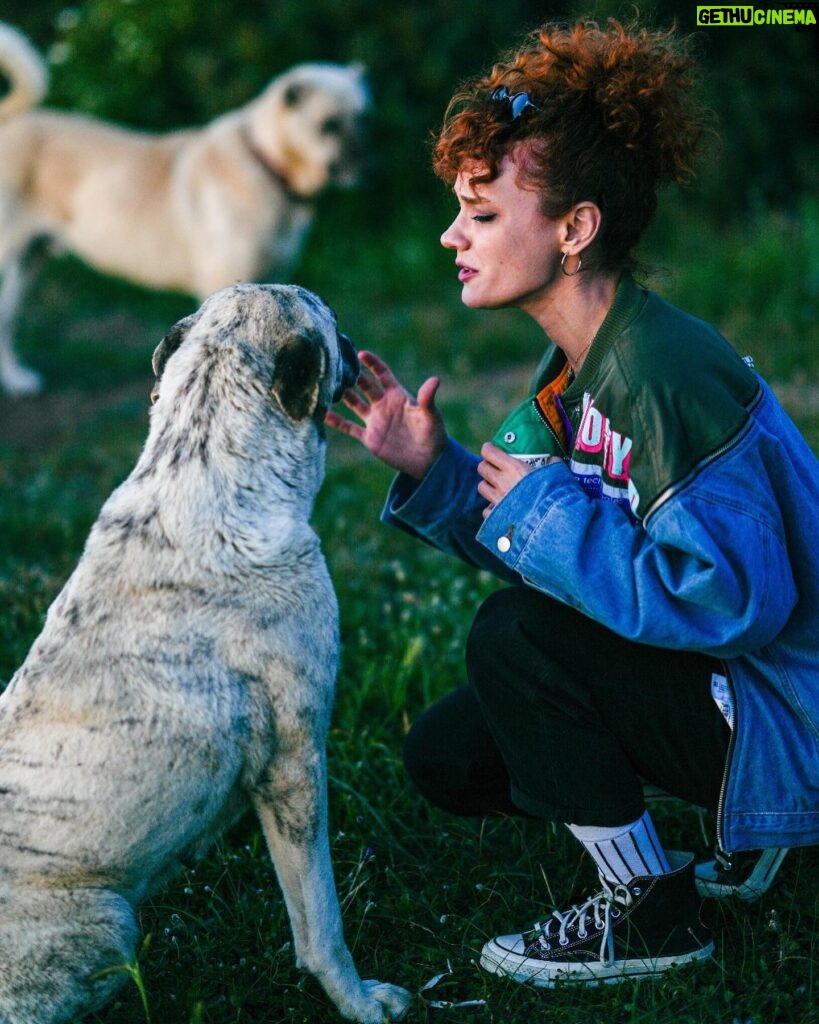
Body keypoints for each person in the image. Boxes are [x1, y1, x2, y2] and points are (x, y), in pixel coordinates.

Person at [326, 17, 819, 987]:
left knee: (518, 636)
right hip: (732, 686)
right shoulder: (576, 372)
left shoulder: (659, 370)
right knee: (453, 753)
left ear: (573, 227)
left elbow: (731, 598)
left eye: (478, 212)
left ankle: (651, 910)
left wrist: (553, 512)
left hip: (789, 706)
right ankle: (736, 834)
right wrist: (436, 470)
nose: (449, 235)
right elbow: (538, 534)